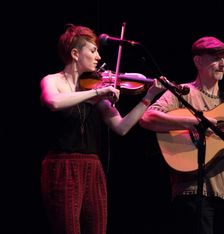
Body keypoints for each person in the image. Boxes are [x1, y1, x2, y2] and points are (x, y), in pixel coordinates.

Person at [139, 36, 224, 234]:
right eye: (216, 58)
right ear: (198, 61)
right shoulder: (182, 93)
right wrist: (196, 122)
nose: (223, 64)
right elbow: (147, 118)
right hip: (193, 190)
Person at [39, 24, 164, 234]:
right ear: (75, 53)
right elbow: (54, 102)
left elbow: (121, 127)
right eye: (93, 50)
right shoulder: (52, 81)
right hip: (62, 166)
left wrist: (148, 97)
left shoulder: (95, 88)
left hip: (92, 167)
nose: (98, 57)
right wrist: (97, 94)